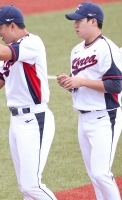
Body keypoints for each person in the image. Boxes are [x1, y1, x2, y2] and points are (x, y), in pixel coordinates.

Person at [0, 5, 57, 200]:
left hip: (35, 119)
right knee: (25, 187)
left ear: (13, 26)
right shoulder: (12, 52)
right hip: (17, 122)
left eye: (0, 27)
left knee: (31, 185)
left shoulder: (31, 43)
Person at [57, 2, 122, 199]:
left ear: (93, 21)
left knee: (102, 173)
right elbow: (80, 84)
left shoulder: (106, 48)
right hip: (83, 118)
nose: (75, 25)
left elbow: (116, 85)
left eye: (79, 21)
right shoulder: (76, 50)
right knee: (94, 175)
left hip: (105, 117)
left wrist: (81, 81)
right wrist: (69, 83)